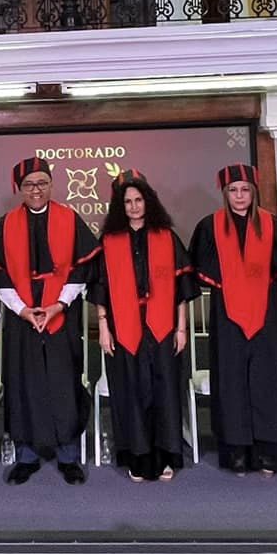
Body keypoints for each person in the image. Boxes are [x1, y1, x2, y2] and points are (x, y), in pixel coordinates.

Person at [189, 163, 277, 475]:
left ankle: (271, 452)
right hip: (226, 314)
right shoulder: (209, 227)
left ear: (253, 192)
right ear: (224, 193)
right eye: (233, 190)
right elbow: (202, 272)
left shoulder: (272, 225)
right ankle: (237, 452)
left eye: (245, 189)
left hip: (267, 313)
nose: (239, 196)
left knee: (268, 379)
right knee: (232, 381)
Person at [0, 157, 101, 485]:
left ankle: (68, 455)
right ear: (19, 189)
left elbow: (82, 268)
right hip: (21, 318)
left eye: (42, 183)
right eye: (29, 185)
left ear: (52, 185)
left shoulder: (70, 218)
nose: (36, 190)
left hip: (60, 318)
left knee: (63, 382)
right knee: (23, 383)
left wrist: (58, 305)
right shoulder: (5, 224)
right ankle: (27, 455)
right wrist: (22, 309)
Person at [91, 170, 197, 484]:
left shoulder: (166, 237)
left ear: (148, 201)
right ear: (119, 206)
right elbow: (100, 289)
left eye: (139, 200)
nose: (134, 206)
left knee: (164, 391)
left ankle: (165, 455)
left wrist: (181, 328)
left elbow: (182, 288)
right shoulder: (109, 241)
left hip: (162, 327)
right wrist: (104, 328)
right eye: (128, 202)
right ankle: (137, 456)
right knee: (130, 392)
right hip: (123, 329)